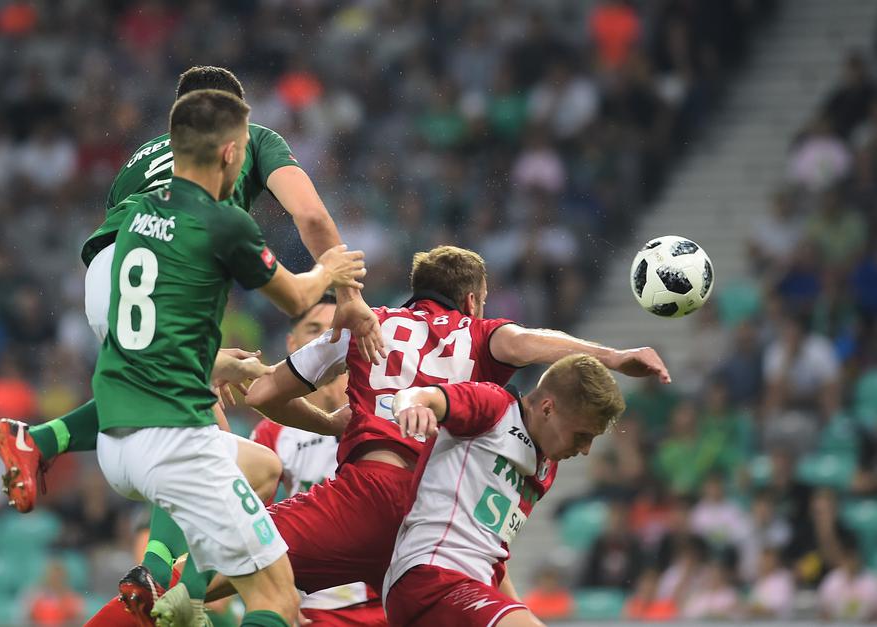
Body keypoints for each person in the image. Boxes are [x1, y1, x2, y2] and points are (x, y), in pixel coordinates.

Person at [0, 63, 382, 515]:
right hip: (168, 269)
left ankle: (41, 441)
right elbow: (310, 215)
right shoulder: (254, 140)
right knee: (198, 451)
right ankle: (169, 557)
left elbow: (120, 231)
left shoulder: (138, 159)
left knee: (152, 400)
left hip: (107, 275)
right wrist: (348, 297)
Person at [195, 245, 669, 620]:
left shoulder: (369, 325)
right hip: (432, 523)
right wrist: (613, 356)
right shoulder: (481, 334)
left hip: (370, 495)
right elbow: (531, 343)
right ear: (472, 300)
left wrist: (330, 423)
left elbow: (263, 394)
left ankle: (159, 598)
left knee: (229, 561)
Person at [92, 89, 364, 627]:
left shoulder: (140, 195)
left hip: (114, 309)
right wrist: (333, 277)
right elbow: (299, 272)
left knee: (248, 464)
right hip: (168, 419)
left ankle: (166, 575)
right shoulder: (225, 214)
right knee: (276, 594)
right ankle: (171, 579)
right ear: (231, 149)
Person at [381, 355, 625, 626]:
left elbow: (494, 550)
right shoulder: (494, 407)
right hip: (431, 577)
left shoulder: (546, 467)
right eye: (582, 435)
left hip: (468, 591)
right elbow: (419, 395)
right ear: (547, 409)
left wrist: (521, 611)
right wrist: (412, 406)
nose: (586, 449)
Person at [251, 294, 386, 626]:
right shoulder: (272, 431)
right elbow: (250, 523)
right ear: (292, 343)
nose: (328, 338)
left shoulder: (383, 408)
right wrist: (279, 596)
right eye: (315, 330)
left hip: (389, 605)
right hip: (316, 612)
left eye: (336, 330)